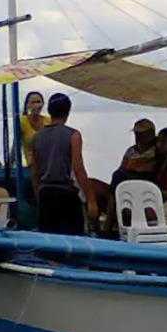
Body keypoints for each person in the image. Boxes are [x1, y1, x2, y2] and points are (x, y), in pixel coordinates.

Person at [29, 93, 97, 235]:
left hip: (45, 193)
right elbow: (78, 169)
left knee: (49, 240)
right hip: (65, 194)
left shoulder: (37, 137)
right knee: (73, 239)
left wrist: (39, 196)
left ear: (49, 111)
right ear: (68, 111)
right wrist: (91, 200)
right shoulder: (73, 135)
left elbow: (34, 173)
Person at [18, 90, 50, 168]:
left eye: (38, 102)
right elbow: (16, 145)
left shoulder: (49, 121)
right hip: (31, 166)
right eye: (33, 102)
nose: (36, 105)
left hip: (49, 165)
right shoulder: (22, 121)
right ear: (27, 105)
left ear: (42, 104)